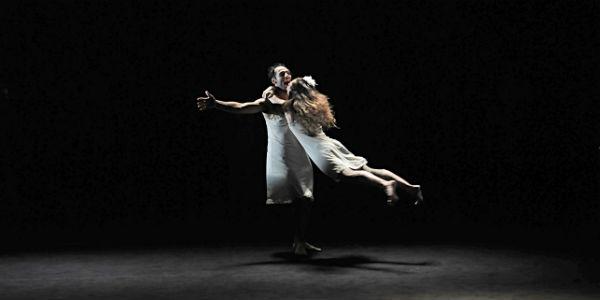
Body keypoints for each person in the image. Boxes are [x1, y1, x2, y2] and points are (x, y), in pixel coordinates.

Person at [196, 64, 321, 256]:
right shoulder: (267, 102)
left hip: (301, 154)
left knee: (307, 199)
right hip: (283, 155)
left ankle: (300, 240)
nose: (287, 75)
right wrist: (217, 104)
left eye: (288, 72)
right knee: (298, 198)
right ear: (273, 81)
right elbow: (241, 107)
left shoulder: (297, 99)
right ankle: (297, 241)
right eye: (282, 74)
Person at [277, 76, 423, 205]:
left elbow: (279, 102)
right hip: (331, 144)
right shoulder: (310, 105)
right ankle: (411, 188)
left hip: (320, 151)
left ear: (294, 92)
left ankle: (385, 184)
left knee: (348, 175)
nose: (286, 89)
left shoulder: (289, 107)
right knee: (368, 170)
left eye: (289, 88)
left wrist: (272, 91)